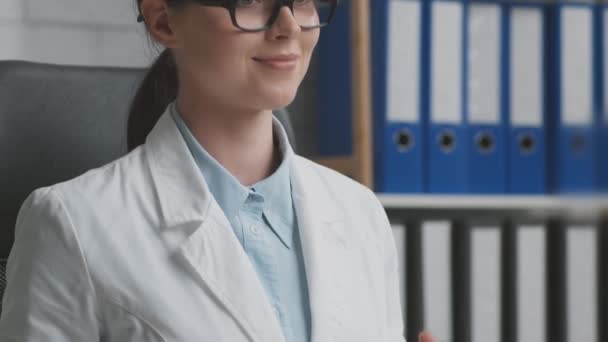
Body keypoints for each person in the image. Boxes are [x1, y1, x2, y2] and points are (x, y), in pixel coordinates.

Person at [0, 0, 434, 341]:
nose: (287, 26)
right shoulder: (71, 222)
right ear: (164, 21)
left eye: (301, 0)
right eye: (248, 1)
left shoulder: (360, 212)